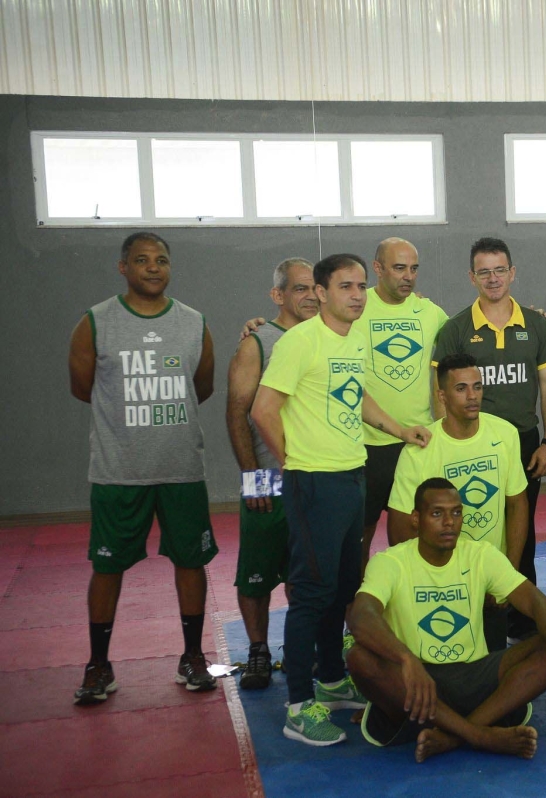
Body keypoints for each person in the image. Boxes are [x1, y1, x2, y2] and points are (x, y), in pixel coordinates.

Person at [251, 253, 431, 746]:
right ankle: (298, 705)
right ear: (321, 293)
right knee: (312, 590)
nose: (356, 295)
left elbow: (359, 396)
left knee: (343, 585)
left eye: (360, 285)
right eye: (345, 286)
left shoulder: (352, 340)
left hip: (352, 474)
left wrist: (400, 429)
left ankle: (331, 679)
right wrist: (294, 462)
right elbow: (263, 409)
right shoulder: (299, 341)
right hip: (315, 482)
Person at [68, 232, 218, 704]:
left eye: (162, 260)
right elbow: (82, 387)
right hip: (118, 472)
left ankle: (192, 656)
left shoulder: (193, 322)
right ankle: (99, 664)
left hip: (181, 469)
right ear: (123, 267)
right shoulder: (96, 322)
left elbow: (201, 387)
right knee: (107, 567)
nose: (154, 267)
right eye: (142, 260)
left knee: (191, 562)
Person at [346, 478, 546, 762]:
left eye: (456, 512)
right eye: (437, 513)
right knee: (359, 657)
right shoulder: (390, 562)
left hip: (474, 675)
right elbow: (361, 616)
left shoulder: (480, 554)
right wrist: (406, 659)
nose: (449, 522)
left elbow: (536, 602)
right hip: (418, 683)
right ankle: (481, 735)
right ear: (416, 519)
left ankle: (454, 736)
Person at [434, 237, 546, 640]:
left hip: (524, 443)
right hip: (471, 446)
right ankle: (466, 612)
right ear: (472, 277)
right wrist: (448, 445)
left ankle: (522, 622)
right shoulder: (455, 329)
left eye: (499, 270)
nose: (493, 278)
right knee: (469, 530)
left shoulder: (536, 324)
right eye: (484, 271)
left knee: (522, 534)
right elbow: (440, 392)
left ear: (512, 272)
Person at [386, 353, 529, 652]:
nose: (472, 396)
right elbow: (399, 529)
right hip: (440, 587)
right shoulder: (419, 450)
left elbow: (517, 504)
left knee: (492, 666)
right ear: (442, 396)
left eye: (477, 386)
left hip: (489, 584)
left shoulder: (505, 434)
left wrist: (507, 574)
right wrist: (435, 581)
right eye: (461, 388)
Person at [224, 257, 318, 690]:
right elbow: (237, 412)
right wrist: (253, 478)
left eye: (315, 287)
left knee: (307, 573)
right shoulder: (258, 342)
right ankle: (258, 650)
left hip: (315, 477)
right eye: (300, 288)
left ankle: (304, 646)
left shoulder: (328, 335)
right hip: (270, 479)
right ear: (278, 295)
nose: (311, 296)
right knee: (257, 572)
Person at [356, 238, 448, 574]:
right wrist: (260, 325)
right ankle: (358, 605)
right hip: (366, 446)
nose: (408, 276)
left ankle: (409, 598)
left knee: (413, 534)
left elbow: (466, 336)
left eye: (413, 268)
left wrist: (529, 319)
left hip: (416, 444)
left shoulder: (429, 312)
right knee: (359, 537)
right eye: (399, 268)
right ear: (377, 268)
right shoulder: (356, 306)